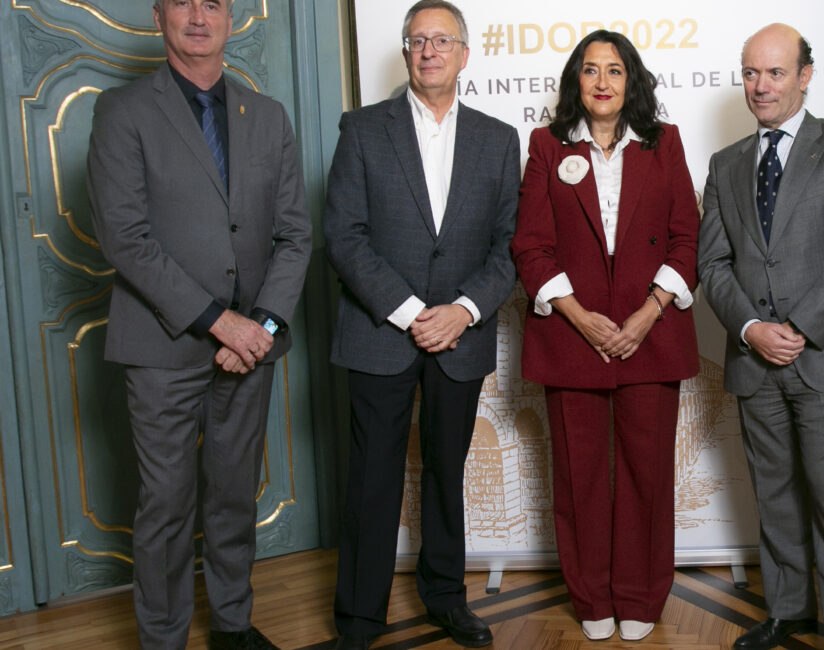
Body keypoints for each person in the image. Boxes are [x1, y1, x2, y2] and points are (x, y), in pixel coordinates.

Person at [85, 0, 312, 647]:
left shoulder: (267, 116)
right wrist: (222, 323)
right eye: (182, 1)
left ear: (230, 18)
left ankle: (233, 626)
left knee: (234, 495)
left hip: (251, 347)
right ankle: (164, 638)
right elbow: (125, 239)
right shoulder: (122, 111)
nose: (197, 15)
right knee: (166, 505)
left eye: (211, 3)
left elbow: (295, 236)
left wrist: (261, 326)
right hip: (162, 347)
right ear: (160, 15)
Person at [322, 1, 519, 648]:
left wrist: (462, 311)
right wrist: (412, 313)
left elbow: (509, 245)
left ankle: (445, 598)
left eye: (442, 40)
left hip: (461, 336)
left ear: (465, 55)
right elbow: (344, 236)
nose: (429, 50)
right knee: (372, 478)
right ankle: (359, 618)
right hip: (380, 333)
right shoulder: (362, 129)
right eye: (417, 40)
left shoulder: (498, 138)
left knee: (445, 473)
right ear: (406, 51)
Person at [511, 29, 699, 644]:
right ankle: (591, 597)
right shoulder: (547, 146)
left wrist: (647, 314)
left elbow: (686, 239)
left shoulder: (664, 143)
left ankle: (641, 596)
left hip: (652, 337)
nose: (601, 81)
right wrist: (580, 316)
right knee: (580, 478)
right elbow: (531, 245)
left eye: (614, 70)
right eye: (590, 70)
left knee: (648, 476)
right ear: (576, 81)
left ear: (631, 80)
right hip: (572, 340)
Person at [697, 23, 824, 650]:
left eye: (775, 72)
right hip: (755, 362)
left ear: (805, 75)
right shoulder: (725, 164)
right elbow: (713, 263)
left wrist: (797, 330)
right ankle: (789, 610)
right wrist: (752, 329)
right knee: (773, 496)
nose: (761, 86)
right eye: (751, 73)